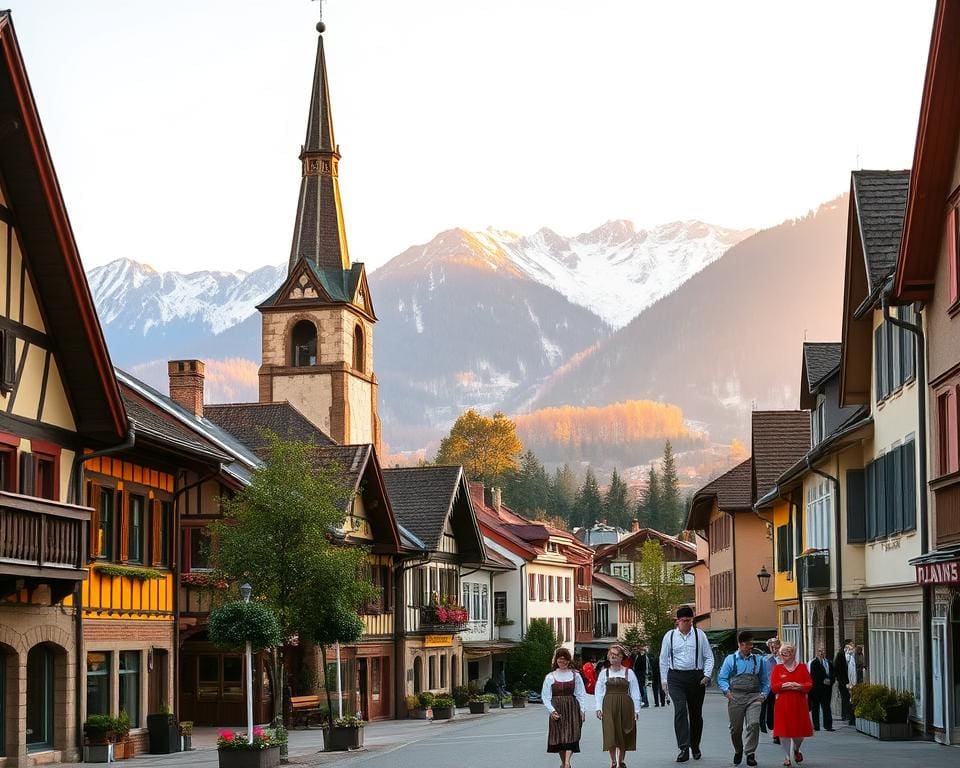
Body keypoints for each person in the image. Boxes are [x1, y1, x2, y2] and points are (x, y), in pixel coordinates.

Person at [659, 605, 714, 763]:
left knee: (696, 714)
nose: (688, 623)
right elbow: (663, 660)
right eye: (684, 621)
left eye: (690, 620)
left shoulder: (699, 635)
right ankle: (683, 747)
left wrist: (707, 675)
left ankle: (695, 745)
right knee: (680, 709)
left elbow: (708, 657)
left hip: (696, 677)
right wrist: (664, 681)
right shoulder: (669, 636)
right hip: (675, 677)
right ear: (678, 621)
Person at [717, 631, 770, 767]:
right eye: (748, 644)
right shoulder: (731, 659)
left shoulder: (759, 660)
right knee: (735, 729)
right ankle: (738, 750)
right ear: (740, 644)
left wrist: (763, 694)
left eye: (752, 644)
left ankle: (750, 753)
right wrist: (726, 691)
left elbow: (765, 680)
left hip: (754, 697)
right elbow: (722, 678)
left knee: (754, 724)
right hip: (735, 696)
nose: (750, 647)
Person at [595, 643, 642, 768]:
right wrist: (598, 708)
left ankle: (621, 760)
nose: (613, 657)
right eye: (611, 654)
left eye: (616, 655)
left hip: (625, 705)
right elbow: (599, 691)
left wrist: (636, 710)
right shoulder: (604, 673)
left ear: (621, 657)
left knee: (623, 733)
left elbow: (635, 691)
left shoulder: (629, 672)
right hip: (609, 705)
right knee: (611, 733)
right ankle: (613, 761)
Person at [542, 647, 589, 768]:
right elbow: (545, 696)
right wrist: (552, 711)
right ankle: (564, 763)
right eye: (560, 659)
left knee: (572, 735)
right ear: (556, 660)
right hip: (557, 708)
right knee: (559, 737)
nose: (562, 662)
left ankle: (567, 763)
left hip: (572, 707)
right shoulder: (550, 677)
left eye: (565, 659)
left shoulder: (575, 675)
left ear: (569, 661)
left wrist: (582, 710)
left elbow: (581, 694)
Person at [770, 643, 813, 767]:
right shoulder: (777, 669)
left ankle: (796, 749)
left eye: (788, 652)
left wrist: (799, 686)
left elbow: (809, 684)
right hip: (783, 704)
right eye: (783, 653)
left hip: (799, 703)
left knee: (798, 733)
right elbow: (773, 687)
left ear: (793, 654)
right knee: (784, 732)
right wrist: (784, 686)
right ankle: (787, 757)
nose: (785, 656)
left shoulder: (802, 668)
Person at [808, 646, 834, 731]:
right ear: (817, 652)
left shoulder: (829, 663)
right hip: (816, 690)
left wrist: (830, 681)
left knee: (826, 707)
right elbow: (813, 676)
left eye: (823, 651)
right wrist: (823, 681)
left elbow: (833, 673)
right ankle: (816, 726)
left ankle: (828, 726)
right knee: (815, 708)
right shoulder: (814, 663)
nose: (821, 653)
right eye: (820, 651)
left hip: (827, 690)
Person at [759, 637, 780, 740]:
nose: (775, 649)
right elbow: (762, 674)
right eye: (772, 647)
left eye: (776, 647)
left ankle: (776, 732)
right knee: (765, 707)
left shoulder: (783, 659)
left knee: (776, 710)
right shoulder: (765, 659)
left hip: (779, 688)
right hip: (767, 687)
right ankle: (764, 725)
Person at [834, 640, 856, 726]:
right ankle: (845, 715)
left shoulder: (852, 656)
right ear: (846, 647)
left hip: (851, 680)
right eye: (850, 645)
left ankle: (850, 716)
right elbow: (837, 669)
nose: (852, 647)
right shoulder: (840, 655)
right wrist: (842, 681)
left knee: (850, 699)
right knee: (845, 698)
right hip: (843, 681)